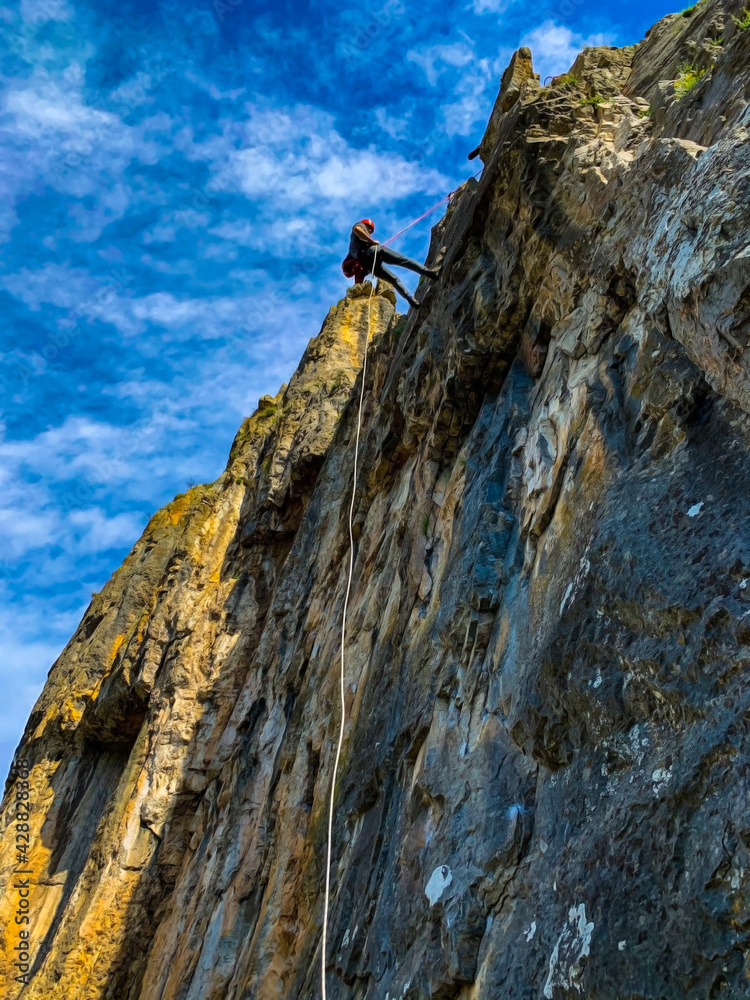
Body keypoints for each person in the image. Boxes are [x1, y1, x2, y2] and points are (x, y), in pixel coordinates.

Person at [341, 219, 441, 309]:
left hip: (370, 266)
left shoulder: (353, 249)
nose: (370, 231)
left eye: (371, 230)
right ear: (365, 225)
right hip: (373, 252)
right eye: (369, 228)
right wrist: (372, 241)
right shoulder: (360, 226)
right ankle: (429, 273)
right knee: (403, 260)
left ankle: (410, 299)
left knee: (394, 279)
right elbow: (357, 229)